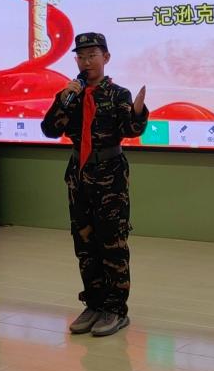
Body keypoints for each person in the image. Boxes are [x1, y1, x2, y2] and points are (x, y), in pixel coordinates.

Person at [40, 32, 148, 337]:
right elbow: (49, 129)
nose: (86, 62)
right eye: (81, 57)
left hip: (110, 175)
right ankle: (94, 303)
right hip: (79, 175)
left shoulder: (118, 94)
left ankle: (115, 309)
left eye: (92, 56)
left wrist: (138, 111)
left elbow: (130, 129)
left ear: (106, 58)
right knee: (85, 243)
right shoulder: (71, 95)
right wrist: (63, 100)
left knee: (112, 243)